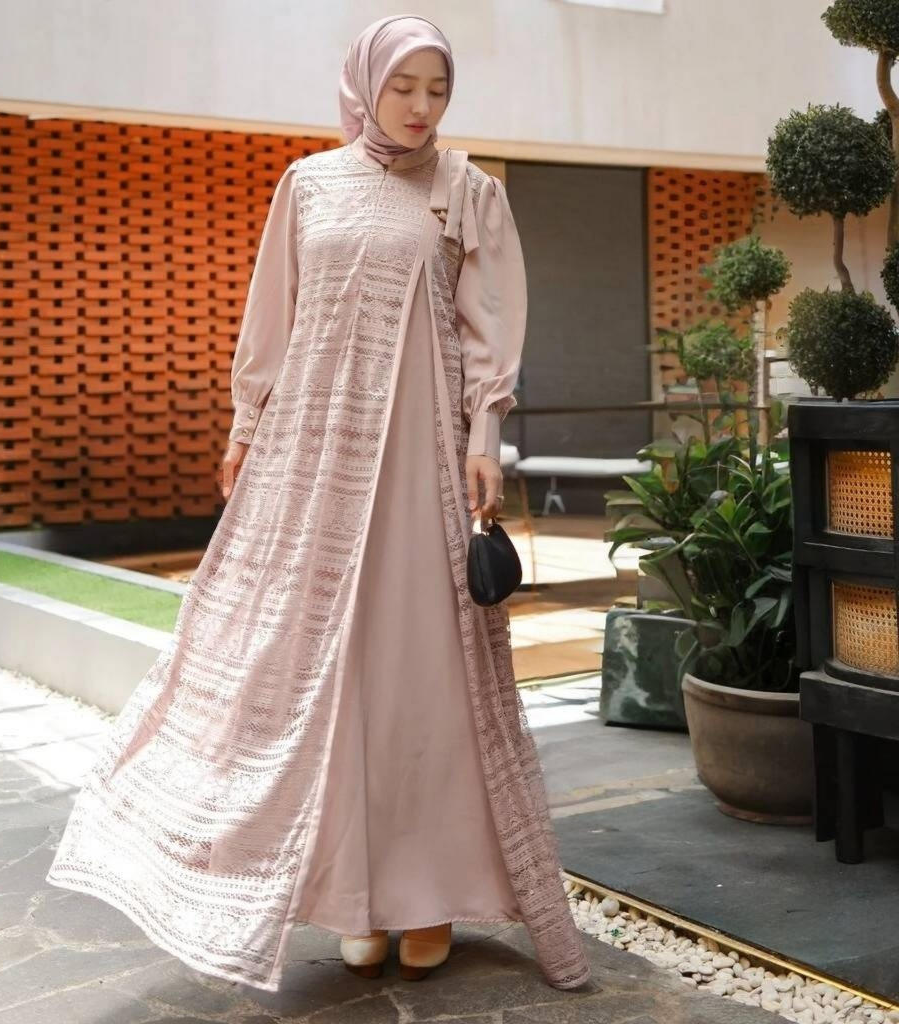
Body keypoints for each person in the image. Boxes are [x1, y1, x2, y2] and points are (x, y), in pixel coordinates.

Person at [46, 13, 590, 994]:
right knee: (320, 674)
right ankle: (352, 897)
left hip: (422, 458)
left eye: (437, 89)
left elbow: (488, 330)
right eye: (402, 87)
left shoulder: (467, 190)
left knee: (421, 675)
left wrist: (483, 439)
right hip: (314, 459)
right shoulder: (307, 184)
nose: (420, 107)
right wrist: (245, 427)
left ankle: (426, 896)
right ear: (365, 86)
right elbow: (274, 315)